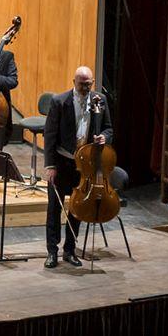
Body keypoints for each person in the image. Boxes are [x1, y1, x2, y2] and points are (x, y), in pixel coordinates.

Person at [44, 65, 113, 270]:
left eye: (89, 84)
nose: (86, 88)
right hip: (61, 163)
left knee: (78, 208)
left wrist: (104, 137)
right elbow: (50, 136)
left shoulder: (99, 100)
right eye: (82, 84)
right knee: (54, 209)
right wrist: (50, 166)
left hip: (84, 166)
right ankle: (52, 252)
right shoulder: (60, 101)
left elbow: (109, 128)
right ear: (74, 82)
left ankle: (69, 250)